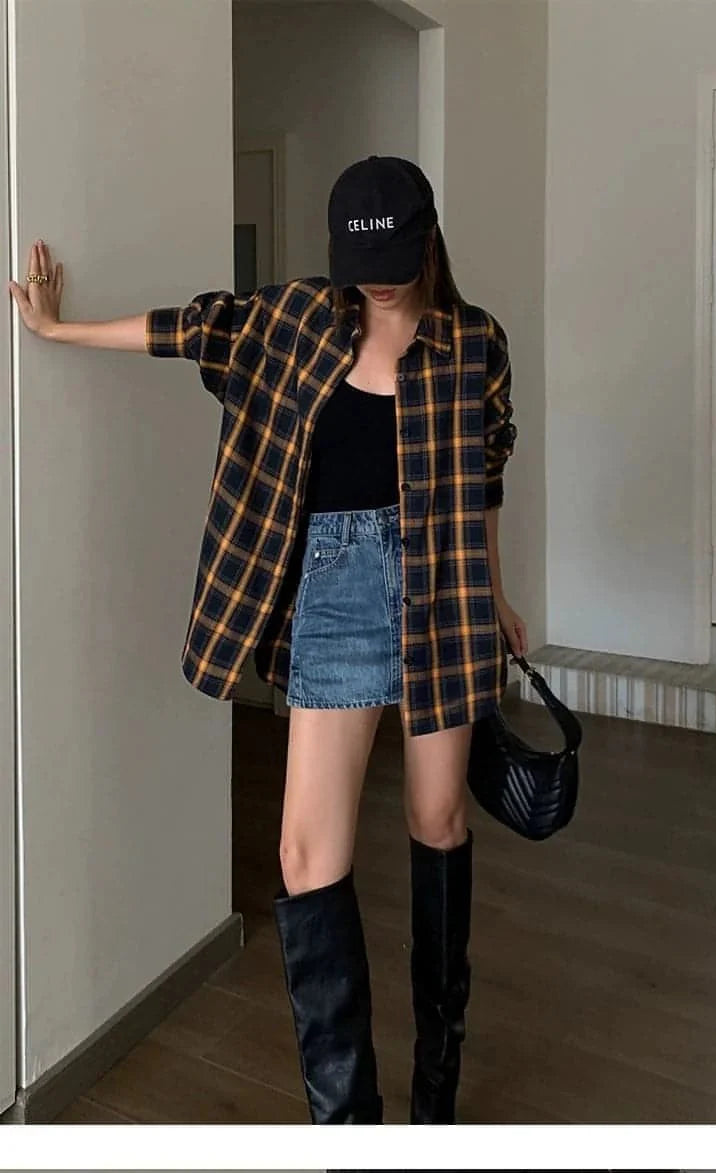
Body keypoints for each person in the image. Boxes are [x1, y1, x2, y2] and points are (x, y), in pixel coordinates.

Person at [8, 155, 527, 1125]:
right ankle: (351, 1123)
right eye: (362, 268)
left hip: (447, 586)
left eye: (394, 265)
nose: (377, 285)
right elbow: (186, 328)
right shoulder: (293, 321)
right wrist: (56, 328)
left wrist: (494, 595)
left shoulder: (475, 342)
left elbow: (486, 472)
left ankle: (438, 1094)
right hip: (334, 588)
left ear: (428, 244)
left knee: (439, 821)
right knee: (304, 855)